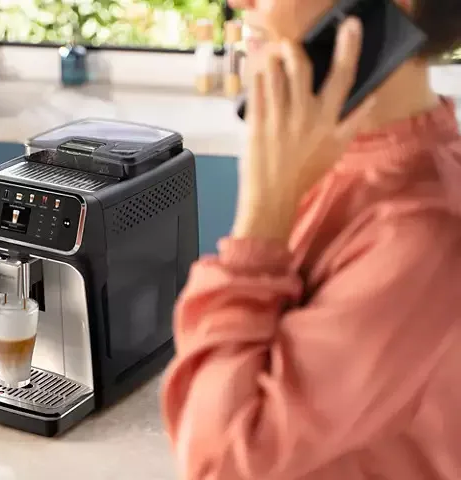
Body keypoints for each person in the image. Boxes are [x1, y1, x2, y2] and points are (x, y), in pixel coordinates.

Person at [160, 0, 461, 478]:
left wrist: (261, 220)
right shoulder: (322, 157)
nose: (238, 4)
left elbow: (218, 464)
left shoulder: (418, 237)